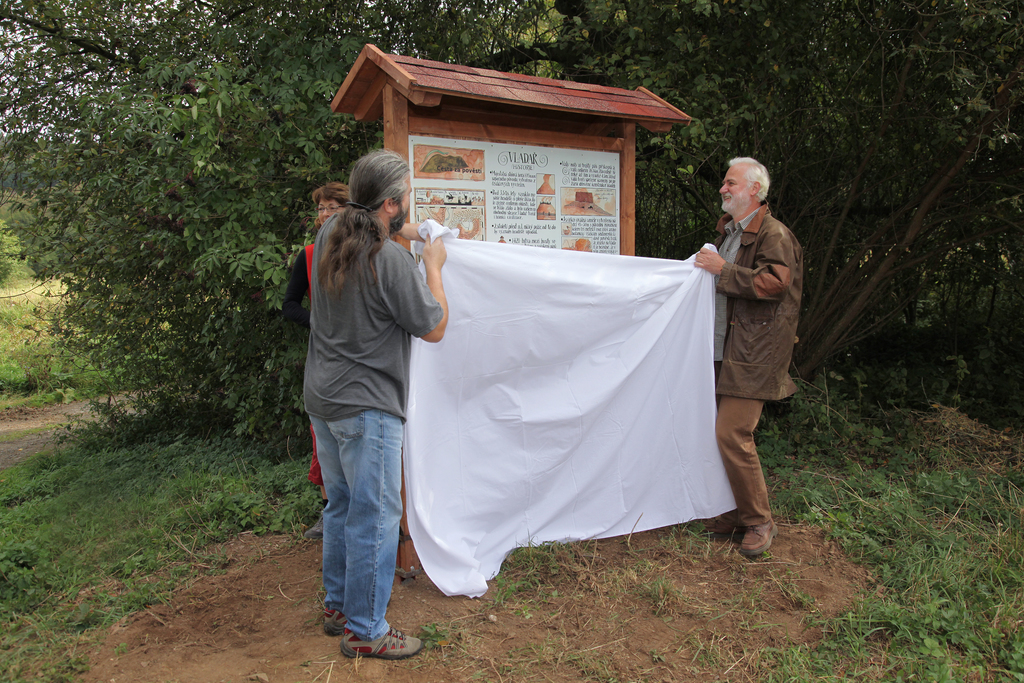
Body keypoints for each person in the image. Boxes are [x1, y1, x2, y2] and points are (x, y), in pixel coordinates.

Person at [305, 148, 448, 659]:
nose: (409, 202)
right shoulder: (389, 262)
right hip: (368, 410)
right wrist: (433, 265)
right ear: (391, 202)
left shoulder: (332, 233)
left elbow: (379, 229)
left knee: (341, 505)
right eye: (406, 195)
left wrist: (415, 233)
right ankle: (366, 631)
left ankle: (339, 606)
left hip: (323, 399)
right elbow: (434, 327)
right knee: (376, 515)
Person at [694, 157, 803, 557]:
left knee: (732, 433)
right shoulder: (729, 234)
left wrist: (723, 270)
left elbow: (775, 282)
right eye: (723, 183)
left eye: (730, 183)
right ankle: (733, 512)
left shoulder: (774, 233)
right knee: (715, 433)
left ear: (754, 189)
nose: (723, 189)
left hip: (754, 354)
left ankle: (759, 521)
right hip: (724, 349)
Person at [282, 181, 349, 540]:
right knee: (321, 437)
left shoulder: (360, 250)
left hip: (359, 359)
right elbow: (289, 305)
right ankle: (330, 512)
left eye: (333, 207)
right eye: (321, 208)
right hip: (323, 357)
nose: (325, 215)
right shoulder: (308, 255)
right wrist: (318, 322)